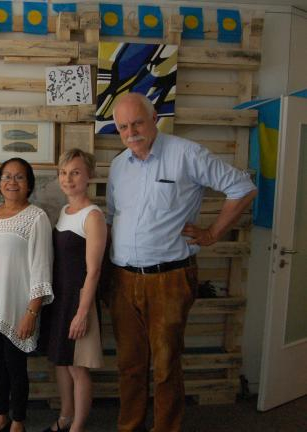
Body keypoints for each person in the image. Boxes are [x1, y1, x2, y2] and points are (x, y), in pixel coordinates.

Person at [106, 93, 257, 432]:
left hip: (169, 279)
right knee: (130, 365)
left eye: (137, 123)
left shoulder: (186, 153)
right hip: (124, 280)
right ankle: (129, 427)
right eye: (123, 127)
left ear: (154, 117)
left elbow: (243, 187)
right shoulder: (118, 166)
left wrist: (213, 233)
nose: (131, 132)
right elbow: (114, 216)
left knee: (165, 365)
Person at [0, 158, 54, 432]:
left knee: (15, 366)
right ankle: (1, 416)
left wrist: (32, 311)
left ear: (29, 184)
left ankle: (18, 420)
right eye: (6, 176)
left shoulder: (36, 217)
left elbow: (42, 266)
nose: (12, 182)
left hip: (18, 306)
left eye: (19, 177)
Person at [41, 149, 106, 432]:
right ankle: (65, 417)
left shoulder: (92, 216)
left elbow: (94, 271)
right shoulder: (65, 212)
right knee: (61, 362)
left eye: (75, 172)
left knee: (78, 368)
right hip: (60, 299)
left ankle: (78, 426)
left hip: (79, 302)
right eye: (63, 173)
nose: (68, 179)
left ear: (89, 176)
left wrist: (82, 313)